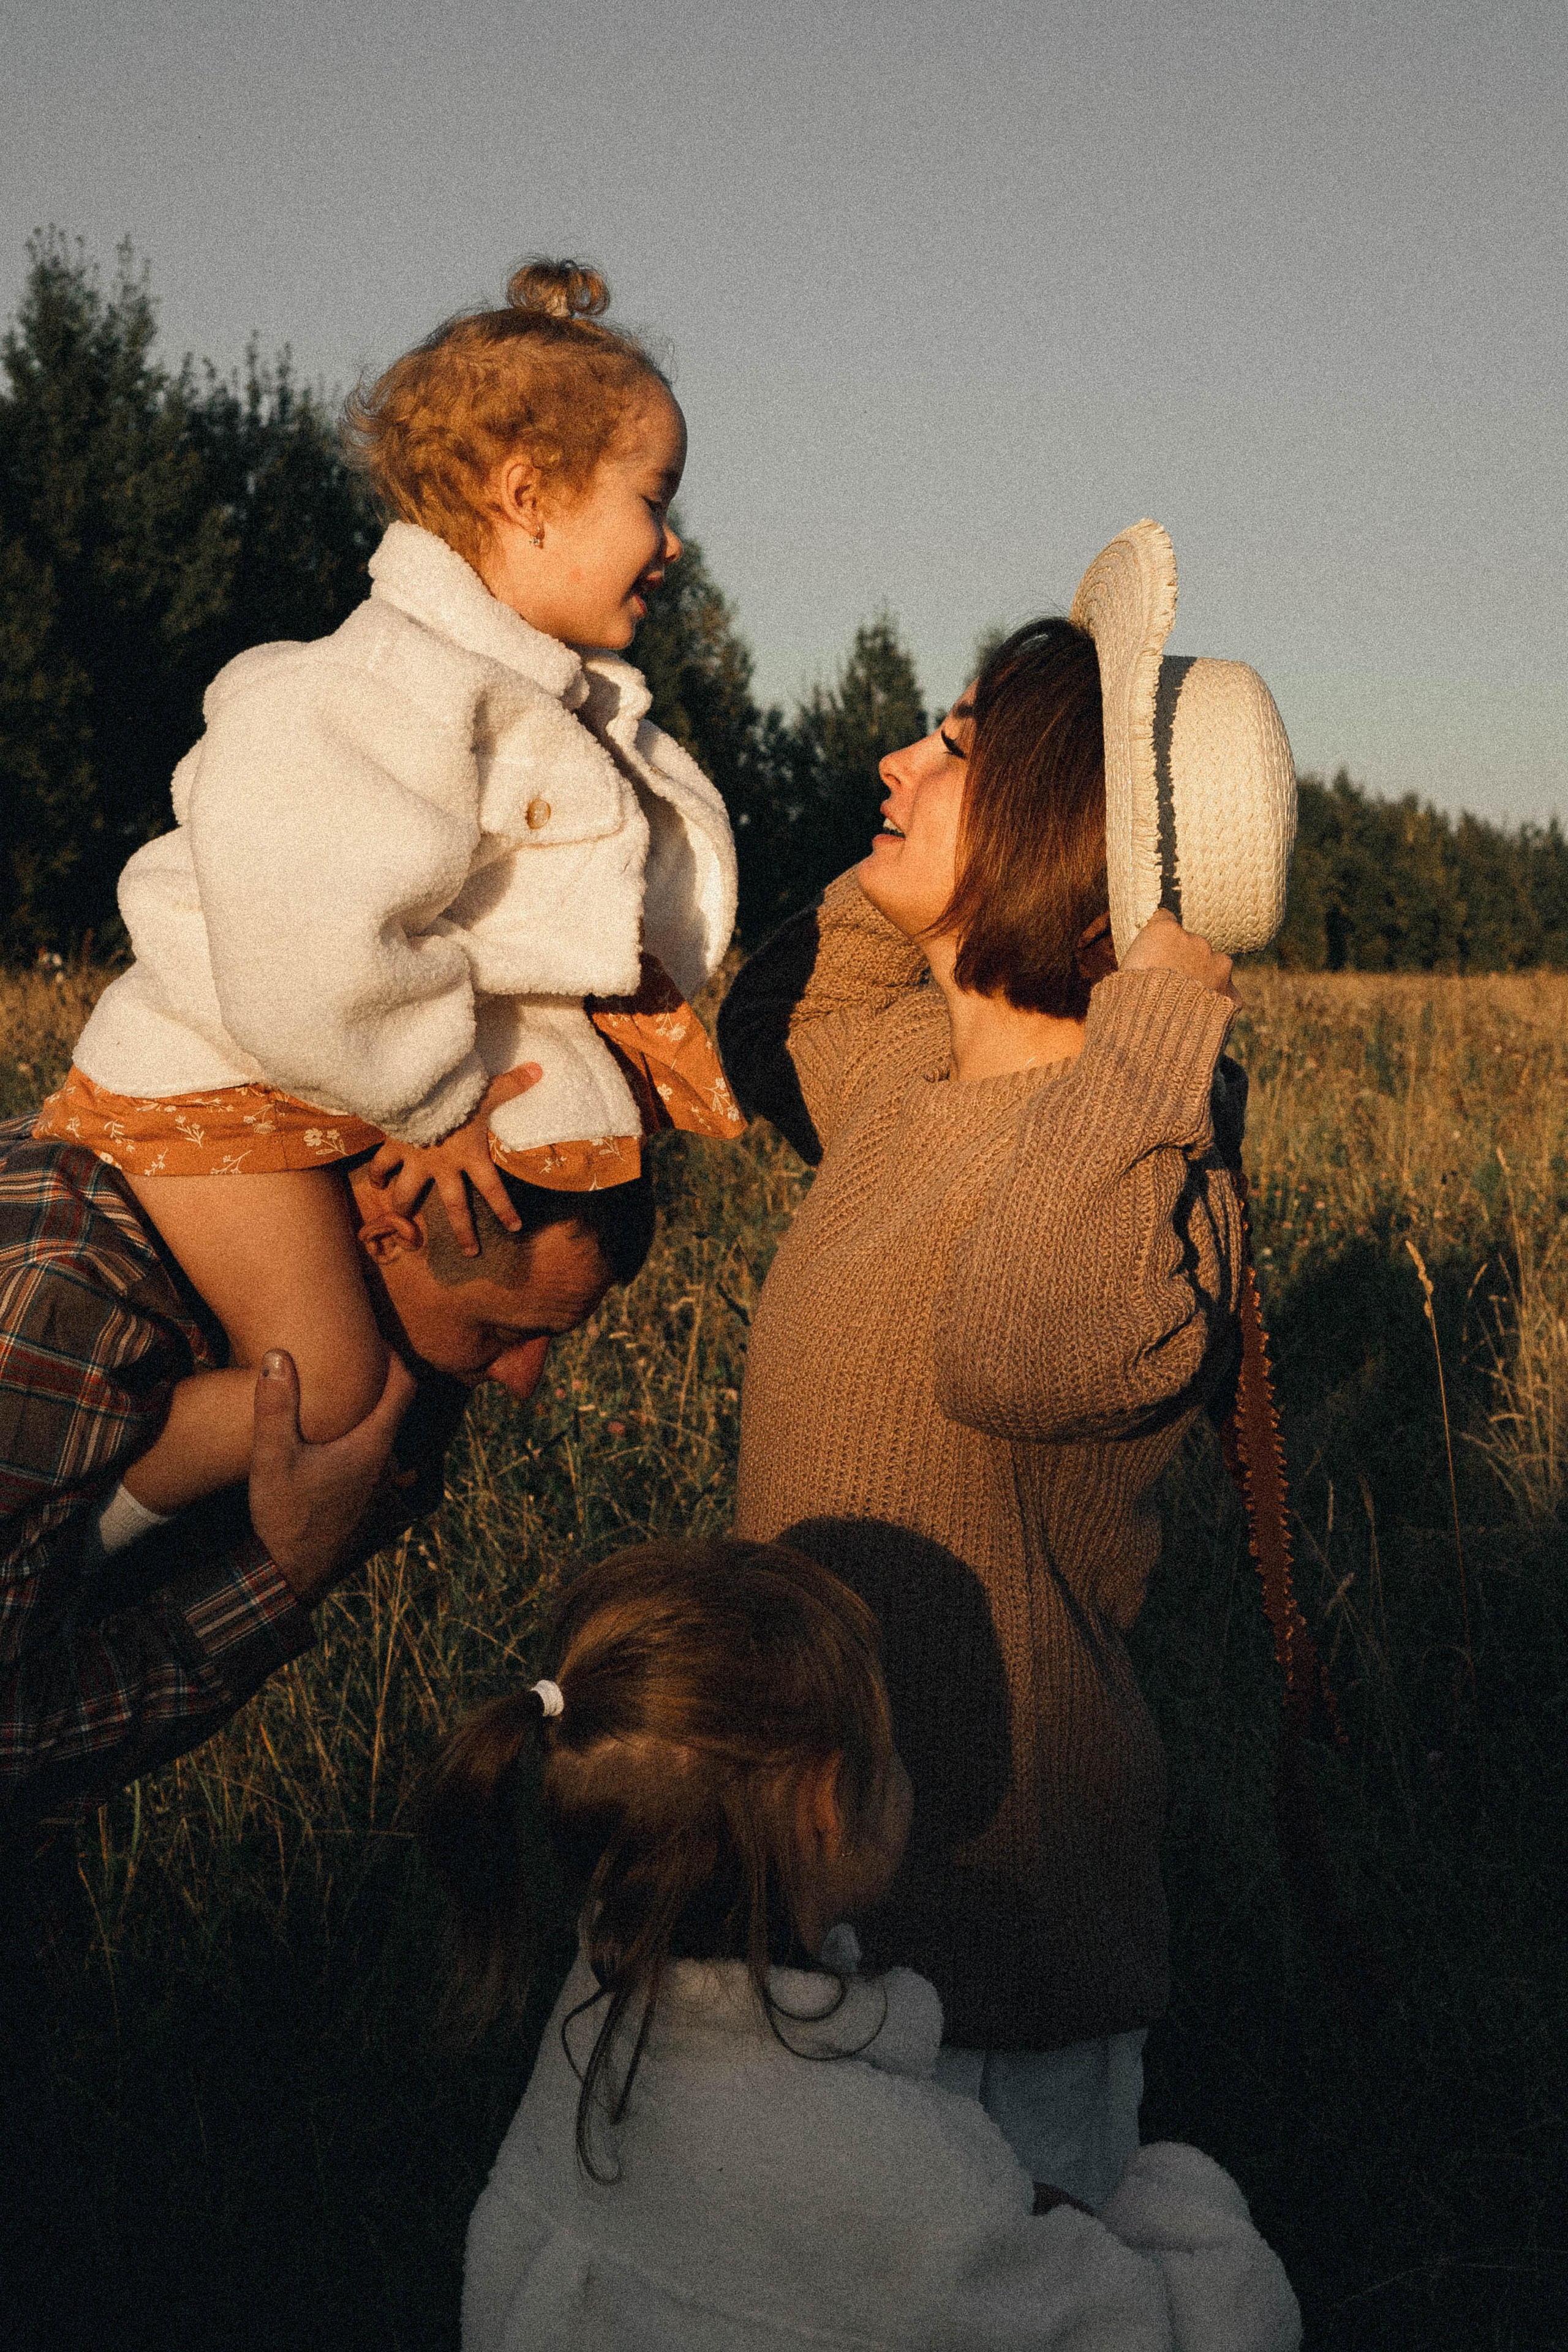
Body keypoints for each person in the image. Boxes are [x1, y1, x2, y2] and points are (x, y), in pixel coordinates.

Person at [717, 525, 1295, 2210]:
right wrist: (929, 882)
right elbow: (824, 996)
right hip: (819, 1898)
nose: (896, 758)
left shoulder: (1136, 1168)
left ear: (1075, 828)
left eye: (959, 744)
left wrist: (1165, 998)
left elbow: (1027, 1342)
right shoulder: (913, 1086)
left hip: (997, 1952)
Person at [34, 254, 741, 1531]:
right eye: (654, 497)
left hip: (289, 1066)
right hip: (205, 1075)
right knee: (334, 1382)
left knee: (351, 1372)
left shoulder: (522, 692)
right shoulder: (377, 684)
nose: (673, 540)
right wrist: (429, 1098)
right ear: (529, 495)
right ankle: (86, 1543)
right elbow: (317, 942)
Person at [424, 1536, 1300, 2351]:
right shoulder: (895, 2183)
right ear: (829, 1801)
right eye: (894, 1749)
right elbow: (1184, 2330)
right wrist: (1175, 2199)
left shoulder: (591, 2019)